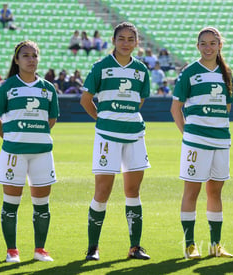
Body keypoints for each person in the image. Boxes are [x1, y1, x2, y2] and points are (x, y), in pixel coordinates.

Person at [80, 21, 151, 261]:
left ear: (137, 43)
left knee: (133, 191)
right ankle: (93, 247)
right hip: (107, 136)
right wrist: (103, 119)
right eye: (121, 38)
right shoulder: (101, 66)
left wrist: (126, 116)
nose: (126, 43)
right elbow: (86, 99)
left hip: (134, 135)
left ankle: (135, 247)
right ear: (113, 41)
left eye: (131, 39)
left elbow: (140, 100)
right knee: (103, 191)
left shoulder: (142, 69)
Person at [0, 40, 59, 263]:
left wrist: (34, 135)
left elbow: (51, 119)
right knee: (11, 202)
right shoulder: (7, 86)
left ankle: (40, 250)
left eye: (34, 55)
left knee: (42, 204)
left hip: (41, 153)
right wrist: (11, 137)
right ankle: (12, 251)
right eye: (26, 56)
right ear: (17, 60)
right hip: (14, 153)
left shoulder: (48, 89)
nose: (31, 59)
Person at [170, 26, 233, 259]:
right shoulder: (189, 72)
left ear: (220, 46)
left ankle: (215, 245)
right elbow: (176, 108)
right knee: (192, 191)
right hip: (196, 140)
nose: (208, 47)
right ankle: (189, 245)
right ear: (198, 46)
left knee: (215, 192)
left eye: (213, 43)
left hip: (221, 140)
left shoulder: (226, 73)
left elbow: (226, 108)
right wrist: (187, 135)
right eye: (204, 43)